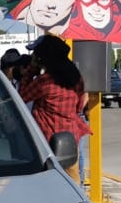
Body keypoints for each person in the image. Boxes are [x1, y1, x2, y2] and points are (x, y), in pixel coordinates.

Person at [17, 34, 90, 186]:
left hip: (48, 140)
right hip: (71, 138)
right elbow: (79, 107)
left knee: (51, 182)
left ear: (44, 58)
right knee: (74, 181)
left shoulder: (45, 82)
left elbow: (22, 96)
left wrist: (31, 71)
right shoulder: (76, 78)